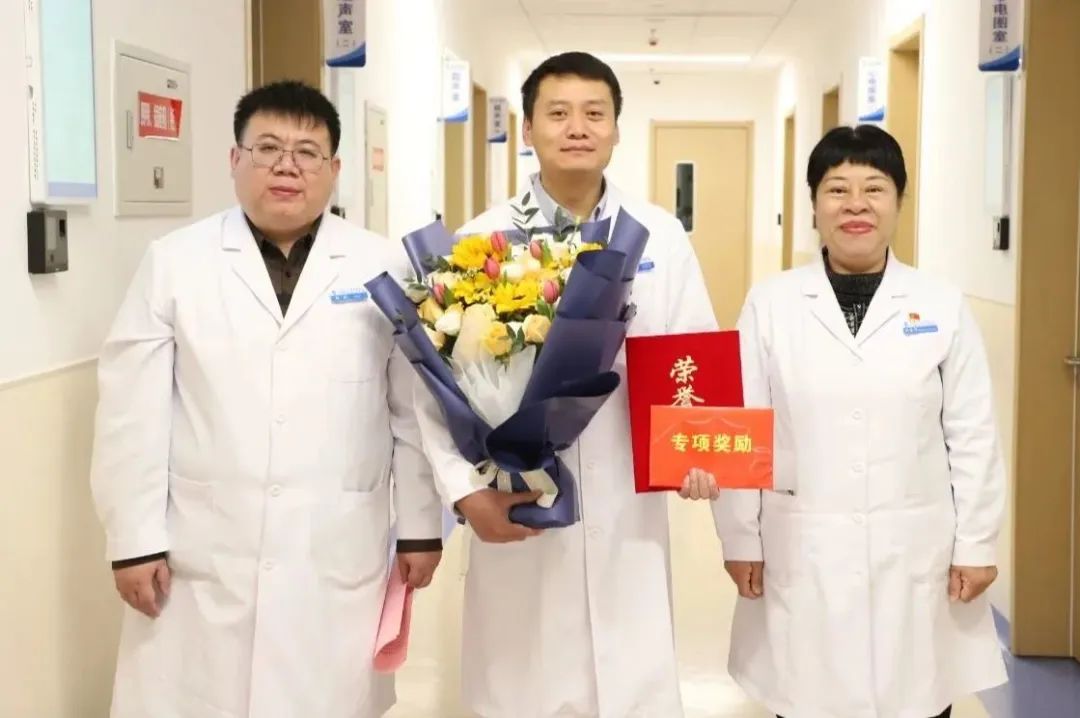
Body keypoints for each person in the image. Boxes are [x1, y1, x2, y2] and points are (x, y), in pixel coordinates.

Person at [89, 80, 444, 718]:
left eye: (308, 152)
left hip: (335, 544)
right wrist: (135, 539)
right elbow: (130, 415)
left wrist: (421, 527)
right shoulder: (174, 263)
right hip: (204, 549)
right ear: (235, 160)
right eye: (268, 148)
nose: (287, 166)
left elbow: (410, 411)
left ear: (335, 169)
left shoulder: (382, 265)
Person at [413, 51, 717, 718]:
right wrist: (465, 493)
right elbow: (432, 390)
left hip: (626, 504)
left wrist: (699, 453)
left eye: (594, 113)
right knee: (522, 684)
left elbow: (693, 357)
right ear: (528, 129)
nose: (577, 127)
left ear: (616, 128)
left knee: (630, 682)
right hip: (518, 503)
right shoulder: (481, 240)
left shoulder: (660, 236)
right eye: (557, 113)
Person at [698, 124, 1008, 717]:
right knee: (808, 697)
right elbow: (744, 423)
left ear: (899, 201)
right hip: (804, 545)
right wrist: (739, 537)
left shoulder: (940, 302)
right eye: (837, 189)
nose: (856, 205)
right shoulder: (771, 303)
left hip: (914, 546)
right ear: (814, 204)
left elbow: (972, 434)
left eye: (875, 188)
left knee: (914, 697)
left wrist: (977, 541)